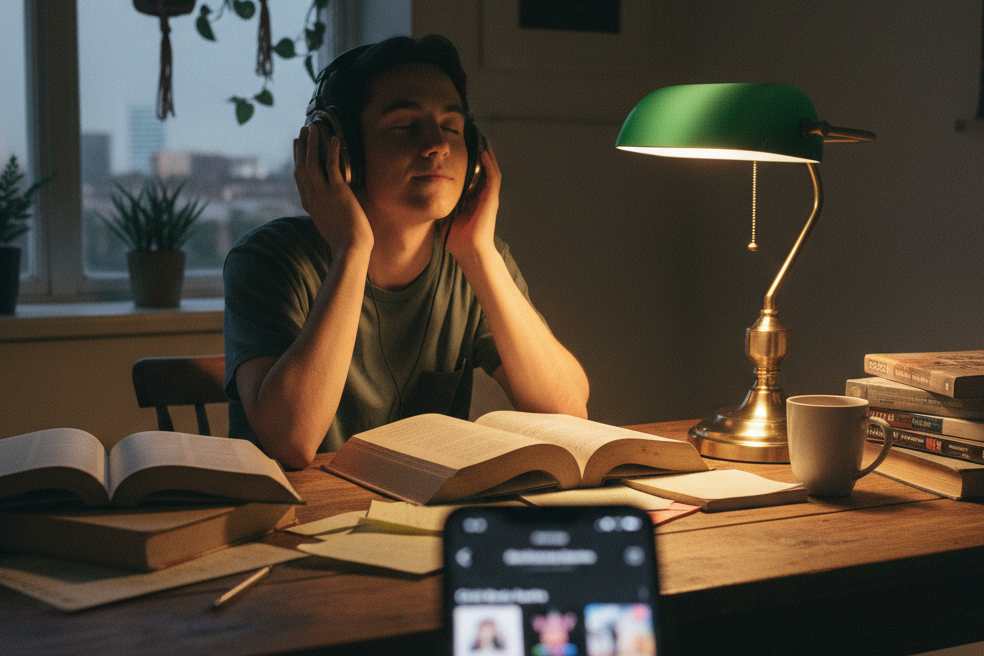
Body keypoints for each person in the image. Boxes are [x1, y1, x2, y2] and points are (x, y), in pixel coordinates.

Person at [223, 35, 589, 469]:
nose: (439, 145)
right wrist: (350, 251)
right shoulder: (268, 260)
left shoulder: (475, 260)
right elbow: (291, 443)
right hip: (295, 520)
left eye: (452, 127)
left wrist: (479, 254)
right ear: (340, 150)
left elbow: (568, 412)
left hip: (419, 521)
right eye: (404, 126)